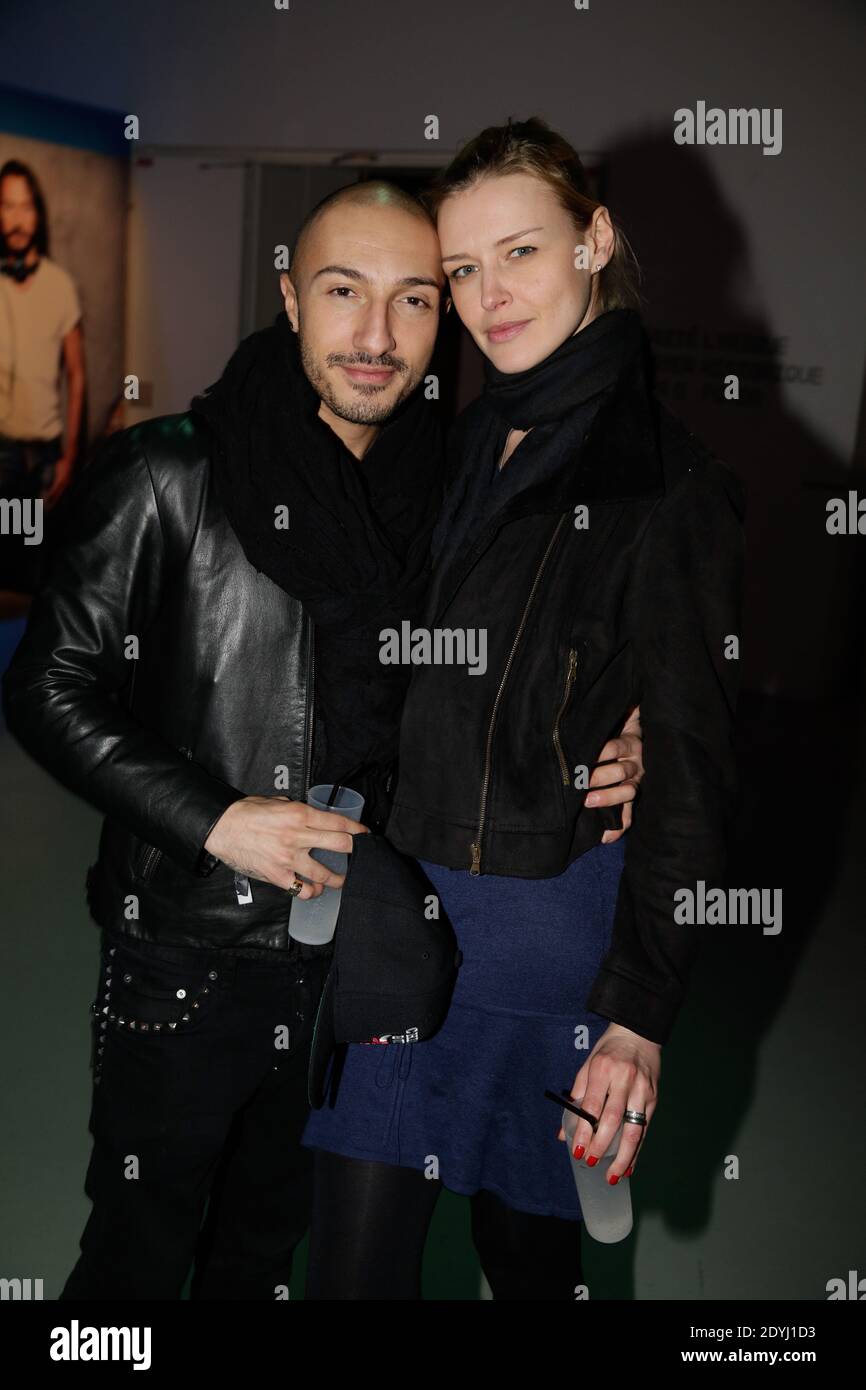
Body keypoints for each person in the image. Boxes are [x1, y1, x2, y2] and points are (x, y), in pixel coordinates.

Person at [1, 176, 645, 1300]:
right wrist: (217, 819)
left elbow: (505, 669)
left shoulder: (438, 503)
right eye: (344, 291)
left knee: (259, 1255)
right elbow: (46, 687)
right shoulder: (170, 475)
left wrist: (615, 723)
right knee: (132, 1265)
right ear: (290, 298)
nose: (375, 334)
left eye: (413, 301)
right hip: (184, 952)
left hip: (336, 963)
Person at [302, 119, 745, 1301]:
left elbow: (694, 771)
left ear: (594, 240)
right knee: (350, 1266)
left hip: (550, 946)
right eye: (462, 270)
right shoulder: (451, 443)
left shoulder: (668, 484)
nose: (488, 297)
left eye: (521, 254)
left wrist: (638, 1015)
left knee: (528, 1268)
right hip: (400, 918)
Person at [0, 160, 85, 600]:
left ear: (38, 215)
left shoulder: (60, 285)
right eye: (7, 206)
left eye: (26, 207)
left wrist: (71, 455)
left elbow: (77, 374)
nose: (17, 219)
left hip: (41, 458)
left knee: (34, 576)